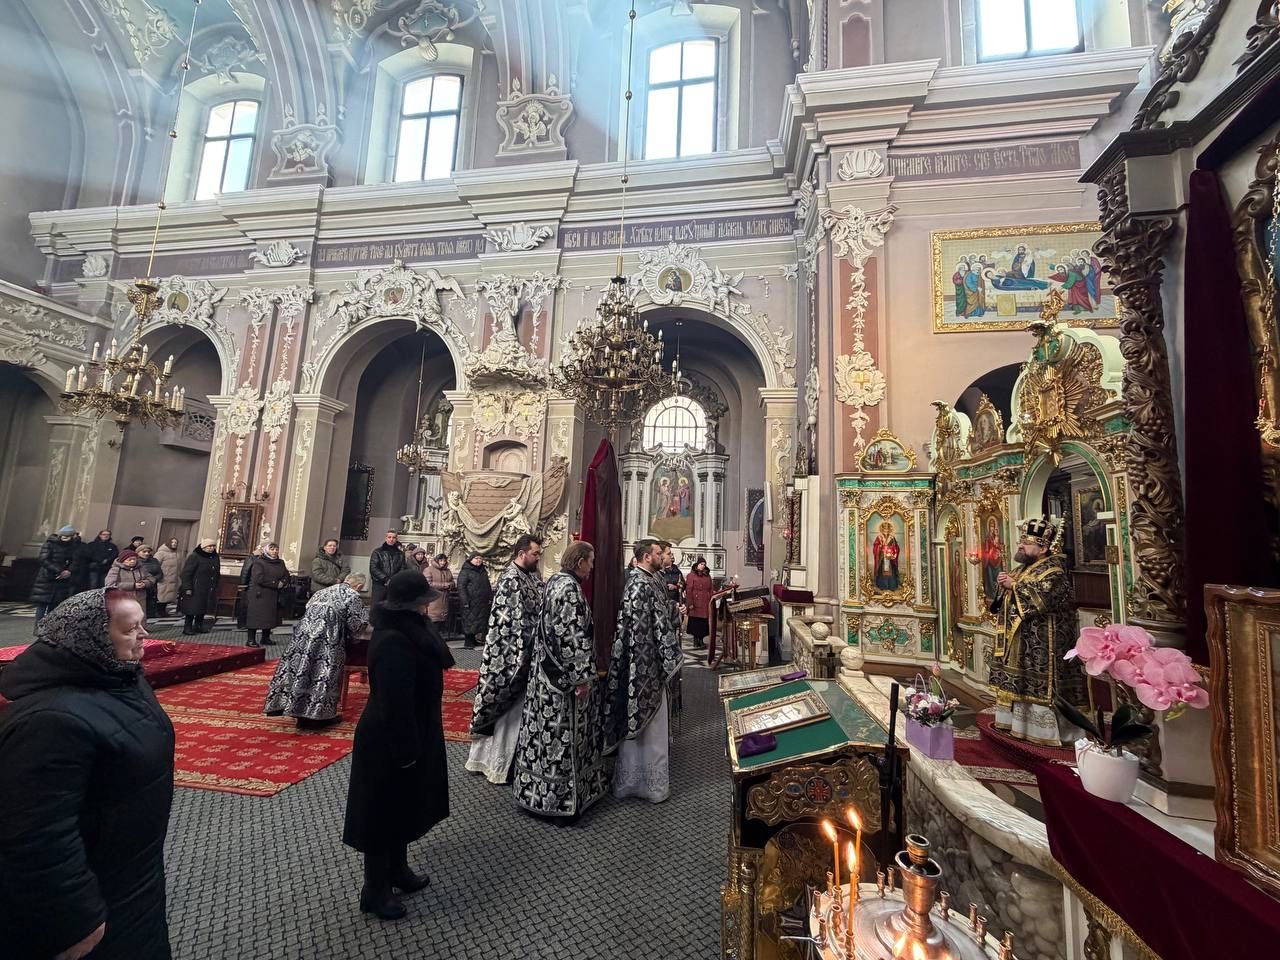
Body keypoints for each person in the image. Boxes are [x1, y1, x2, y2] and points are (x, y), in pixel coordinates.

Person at [0, 589, 175, 960]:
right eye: (130, 629)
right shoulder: (50, 722)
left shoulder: (120, 678)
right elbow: (36, 835)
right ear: (92, 638)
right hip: (93, 899)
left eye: (142, 625)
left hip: (132, 874)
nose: (144, 635)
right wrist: (73, 921)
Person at [343, 570, 453, 921]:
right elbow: (394, 703)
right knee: (381, 813)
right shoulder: (393, 640)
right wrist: (406, 750)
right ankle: (374, 890)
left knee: (402, 806)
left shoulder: (412, 630)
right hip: (389, 738)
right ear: (410, 606)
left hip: (412, 730)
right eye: (423, 603)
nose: (427, 608)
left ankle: (398, 869)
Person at [513, 541, 609, 821]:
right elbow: (571, 637)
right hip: (560, 681)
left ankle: (536, 792)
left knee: (542, 737)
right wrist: (581, 679)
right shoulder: (569, 589)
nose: (592, 567)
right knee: (560, 740)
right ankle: (559, 803)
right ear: (579, 562)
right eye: (590, 561)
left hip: (544, 674)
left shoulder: (554, 580)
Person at [987, 516, 1090, 744]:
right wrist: (1005, 585)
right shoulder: (1024, 569)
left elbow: (1042, 600)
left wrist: (1014, 586)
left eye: (1026, 543)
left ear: (1042, 548)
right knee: (1019, 684)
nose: (1020, 546)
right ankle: (1018, 725)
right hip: (1022, 643)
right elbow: (1008, 596)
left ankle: (1045, 733)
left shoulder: (1054, 571)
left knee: (1041, 687)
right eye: (1021, 541)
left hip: (1044, 644)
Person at [604, 538, 683, 803]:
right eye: (659, 553)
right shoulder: (638, 584)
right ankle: (635, 783)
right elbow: (638, 632)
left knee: (654, 727)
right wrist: (662, 656)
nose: (663, 556)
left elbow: (659, 615)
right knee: (642, 724)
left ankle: (651, 784)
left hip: (651, 664)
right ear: (647, 556)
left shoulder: (651, 580)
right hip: (641, 666)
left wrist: (673, 611)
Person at [466, 534, 544, 784]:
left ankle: (512, 763)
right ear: (522, 553)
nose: (538, 557)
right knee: (506, 711)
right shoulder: (511, 579)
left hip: (526, 652)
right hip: (509, 656)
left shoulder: (531, 577)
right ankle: (495, 763)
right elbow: (513, 623)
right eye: (535, 553)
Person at [265, 572, 370, 728]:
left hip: (303, 637)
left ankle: (295, 708)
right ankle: (317, 716)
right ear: (359, 586)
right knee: (322, 674)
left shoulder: (321, 592)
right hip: (328, 640)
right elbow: (357, 625)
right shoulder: (352, 595)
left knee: (302, 670)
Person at [30, 524, 79, 627]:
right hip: (47, 577)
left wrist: (69, 571)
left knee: (55, 605)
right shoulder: (50, 544)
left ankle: (49, 627)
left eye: (68, 536)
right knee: (42, 604)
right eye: (64, 536)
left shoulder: (73, 546)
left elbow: (75, 561)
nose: (65, 538)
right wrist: (59, 571)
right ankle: (39, 626)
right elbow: (44, 559)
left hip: (62, 580)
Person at [245, 542, 289, 648]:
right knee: (255, 617)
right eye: (272, 549)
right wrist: (275, 583)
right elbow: (258, 578)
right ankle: (250, 640)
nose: (275, 551)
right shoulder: (259, 562)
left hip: (274, 594)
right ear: (266, 550)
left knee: (270, 617)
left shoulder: (280, 562)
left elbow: (286, 575)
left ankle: (265, 638)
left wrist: (283, 582)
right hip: (260, 594)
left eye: (276, 549)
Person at [179, 538, 220, 635]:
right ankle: (187, 627)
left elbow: (216, 571)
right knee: (192, 608)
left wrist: (215, 583)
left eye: (213, 546)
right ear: (204, 547)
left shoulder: (214, 557)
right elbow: (186, 573)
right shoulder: (195, 556)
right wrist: (187, 587)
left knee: (202, 607)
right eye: (209, 546)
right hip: (195, 587)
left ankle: (198, 625)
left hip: (208, 587)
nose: (212, 548)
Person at [456, 552, 493, 649]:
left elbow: (487, 585)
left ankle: (473, 640)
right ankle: (468, 641)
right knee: (469, 621)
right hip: (470, 601)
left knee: (477, 621)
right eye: (476, 558)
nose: (478, 560)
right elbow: (461, 587)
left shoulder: (483, 571)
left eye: (480, 558)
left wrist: (490, 597)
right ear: (471, 559)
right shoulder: (465, 571)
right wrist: (465, 601)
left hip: (481, 602)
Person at [369, 530, 407, 605]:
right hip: (379, 584)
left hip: (394, 585)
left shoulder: (400, 554)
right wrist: (386, 579)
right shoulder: (377, 552)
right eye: (389, 537)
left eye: (394, 537)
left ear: (396, 539)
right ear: (386, 538)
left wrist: (394, 580)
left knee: (392, 607)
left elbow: (402, 569)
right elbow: (374, 568)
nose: (391, 539)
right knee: (377, 607)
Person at [685, 557, 713, 650]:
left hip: (705, 602)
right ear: (697, 565)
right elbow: (689, 590)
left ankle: (701, 640)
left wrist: (711, 599)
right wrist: (690, 603)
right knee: (695, 622)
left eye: (704, 564)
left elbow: (710, 589)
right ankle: (696, 640)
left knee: (703, 623)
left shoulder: (707, 576)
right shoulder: (691, 575)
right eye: (701, 564)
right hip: (695, 602)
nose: (703, 566)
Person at [424, 553, 454, 633]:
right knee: (433, 624)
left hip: (444, 600)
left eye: (444, 561)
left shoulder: (447, 571)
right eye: (441, 561)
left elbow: (452, 581)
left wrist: (451, 585)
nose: (443, 563)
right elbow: (427, 584)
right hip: (433, 601)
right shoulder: (429, 570)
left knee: (441, 625)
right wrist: (444, 585)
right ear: (437, 561)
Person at [154, 538, 182, 616]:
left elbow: (179, 568)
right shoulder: (161, 553)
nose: (174, 544)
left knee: (168, 596)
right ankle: (158, 612)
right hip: (163, 578)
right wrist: (158, 575)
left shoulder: (177, 554)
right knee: (161, 596)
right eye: (172, 542)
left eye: (176, 542)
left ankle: (163, 611)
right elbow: (155, 565)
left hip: (173, 578)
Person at [135, 545, 164, 618]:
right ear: (138, 552)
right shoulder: (135, 561)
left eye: (148, 552)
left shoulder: (154, 560)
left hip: (153, 584)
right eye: (144, 552)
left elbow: (159, 572)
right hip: (141, 584)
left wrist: (154, 579)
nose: (146, 553)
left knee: (151, 601)